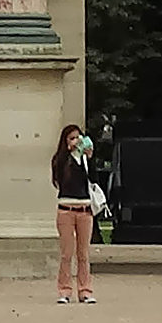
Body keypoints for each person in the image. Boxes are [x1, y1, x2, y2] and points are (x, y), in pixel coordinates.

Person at [53, 123, 100, 303]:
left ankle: (85, 290)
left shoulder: (85, 160)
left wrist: (89, 157)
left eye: (78, 137)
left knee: (83, 253)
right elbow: (60, 180)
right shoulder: (61, 160)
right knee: (66, 253)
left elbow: (94, 180)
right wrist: (69, 153)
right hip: (66, 209)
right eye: (72, 138)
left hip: (84, 209)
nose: (76, 141)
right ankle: (64, 290)